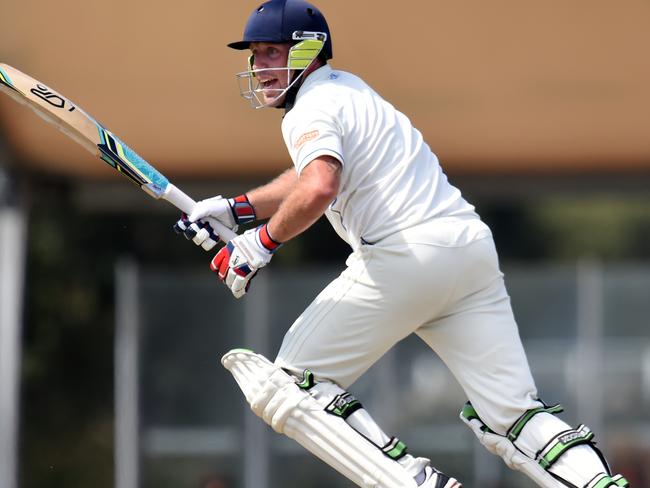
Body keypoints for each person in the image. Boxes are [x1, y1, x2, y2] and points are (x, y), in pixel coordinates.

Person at [174, 1, 629, 487]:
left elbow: (319, 187)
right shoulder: (348, 90)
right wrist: (237, 208)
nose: (259, 66)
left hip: (406, 255)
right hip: (466, 249)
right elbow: (312, 177)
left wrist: (258, 245)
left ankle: (415, 482)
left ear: (307, 50)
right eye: (255, 54)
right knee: (513, 416)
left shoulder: (310, 107)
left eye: (270, 52)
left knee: (289, 383)